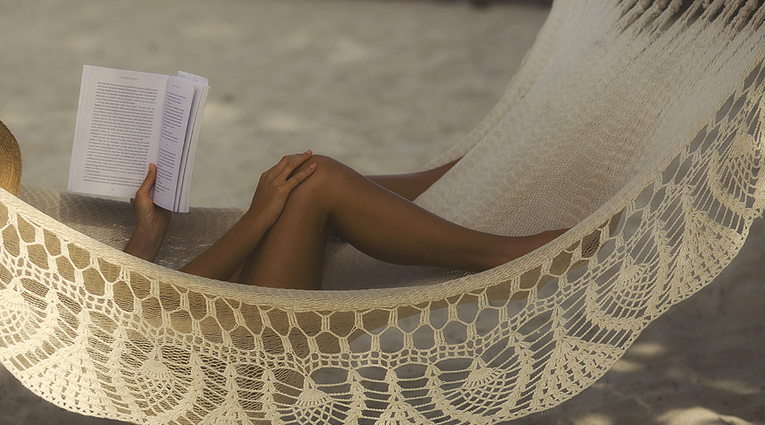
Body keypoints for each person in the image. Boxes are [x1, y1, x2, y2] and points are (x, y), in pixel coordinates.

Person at [124, 151, 566, 290]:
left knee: (301, 180)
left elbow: (122, 303)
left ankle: (471, 170)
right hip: (219, 359)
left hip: (193, 324)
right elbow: (155, 308)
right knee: (318, 182)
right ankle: (499, 254)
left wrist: (146, 238)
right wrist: (258, 217)